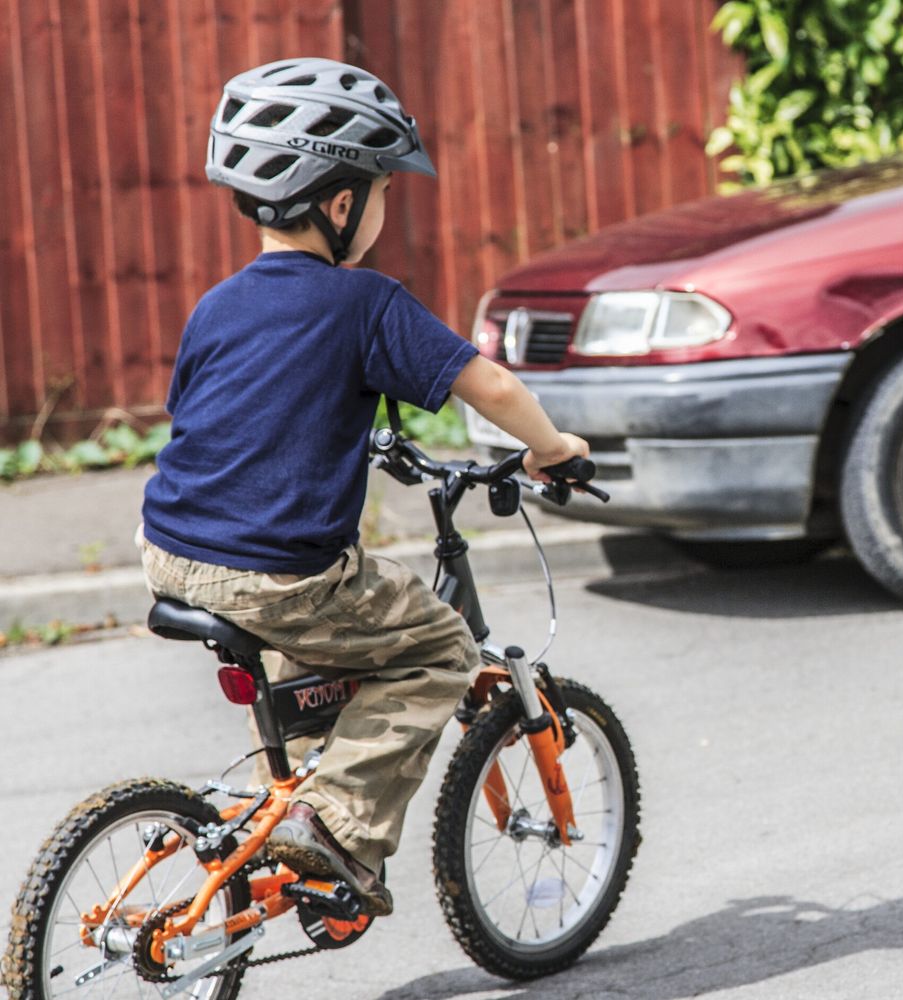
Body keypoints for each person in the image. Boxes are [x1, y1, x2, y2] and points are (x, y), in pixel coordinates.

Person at [137, 57, 588, 917]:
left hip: (169, 552)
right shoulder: (365, 304)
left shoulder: (215, 306)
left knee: (310, 656)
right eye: (381, 191)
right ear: (339, 204)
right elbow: (486, 386)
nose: (383, 209)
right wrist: (552, 447)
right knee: (441, 648)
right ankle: (334, 826)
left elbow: (212, 415)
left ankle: (294, 800)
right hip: (279, 575)